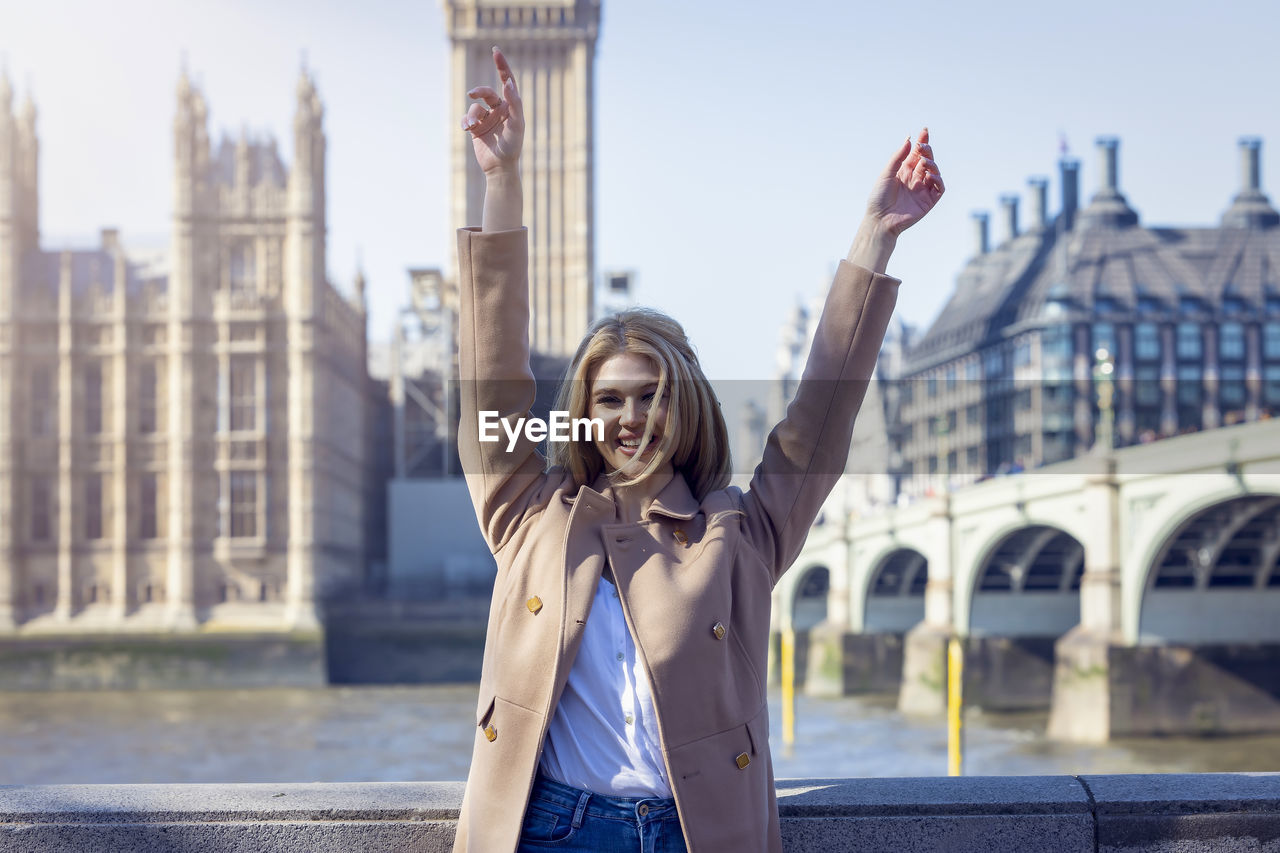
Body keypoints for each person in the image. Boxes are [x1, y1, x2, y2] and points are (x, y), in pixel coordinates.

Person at [452, 47, 944, 853]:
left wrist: (876, 238)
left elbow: (822, 410)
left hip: (699, 834)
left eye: (650, 395)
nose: (630, 416)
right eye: (609, 398)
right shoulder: (528, 516)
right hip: (550, 831)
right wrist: (501, 181)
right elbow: (492, 377)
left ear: (683, 406)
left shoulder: (739, 534)